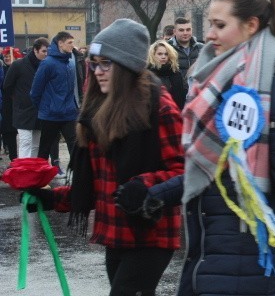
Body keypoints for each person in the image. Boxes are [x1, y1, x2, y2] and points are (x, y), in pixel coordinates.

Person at [24, 19, 185, 295]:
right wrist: (53, 198)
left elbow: (186, 171)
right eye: (94, 63)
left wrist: (146, 186)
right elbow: (101, 181)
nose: (97, 71)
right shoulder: (99, 108)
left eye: (106, 64)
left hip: (151, 233)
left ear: (127, 66)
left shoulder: (158, 107)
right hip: (116, 233)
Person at [171, 0, 275, 295]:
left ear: (251, 25)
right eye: (209, 24)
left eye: (220, 25)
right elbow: (209, 167)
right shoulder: (212, 77)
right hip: (213, 250)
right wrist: (157, 193)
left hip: (250, 256)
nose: (209, 34)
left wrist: (247, 173)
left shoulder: (274, 80)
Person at [30, 31, 79, 161]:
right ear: (60, 44)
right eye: (69, 43)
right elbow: (35, 91)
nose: (72, 46)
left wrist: (74, 106)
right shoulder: (47, 63)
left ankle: (76, 176)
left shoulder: (70, 63)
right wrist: (45, 108)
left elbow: (72, 90)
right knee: (45, 148)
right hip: (50, 115)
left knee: (75, 146)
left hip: (68, 113)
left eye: (73, 43)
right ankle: (40, 178)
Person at [4, 38, 48, 158]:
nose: (46, 54)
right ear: (35, 50)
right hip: (22, 111)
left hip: (39, 110)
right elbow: (7, 86)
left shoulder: (45, 66)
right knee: (25, 142)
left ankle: (32, 170)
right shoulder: (18, 65)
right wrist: (18, 98)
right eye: (44, 51)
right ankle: (23, 170)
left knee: (35, 145)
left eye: (47, 51)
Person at [147, 40, 186, 109]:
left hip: (176, 113)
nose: (163, 57)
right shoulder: (148, 75)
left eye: (166, 54)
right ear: (153, 55)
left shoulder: (176, 73)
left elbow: (183, 96)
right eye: (160, 54)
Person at [168, 17, 204, 84]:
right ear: (174, 32)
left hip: (196, 90)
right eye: (181, 30)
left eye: (188, 30)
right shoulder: (167, 48)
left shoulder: (201, 48)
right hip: (176, 91)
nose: (185, 33)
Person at [0, 47, 20, 160]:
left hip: (18, 105)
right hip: (6, 106)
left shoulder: (18, 69)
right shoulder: (3, 69)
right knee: (9, 133)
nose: (7, 58)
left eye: (9, 56)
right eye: (5, 57)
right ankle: (14, 158)